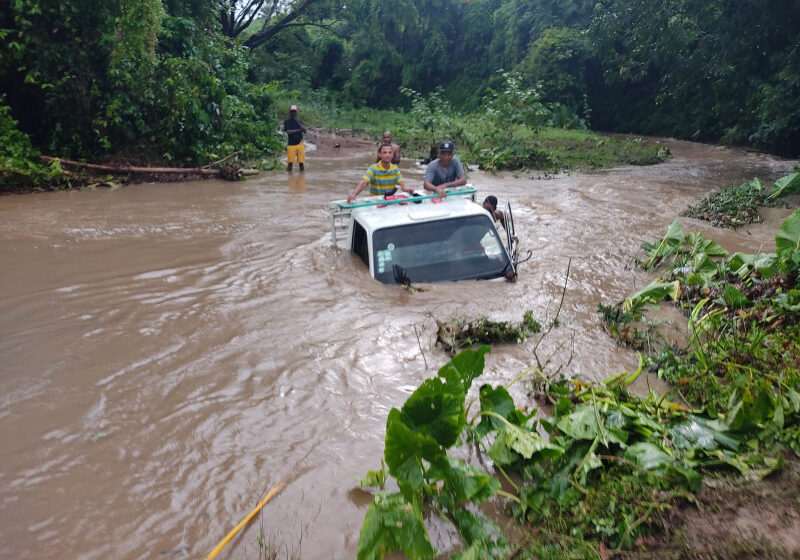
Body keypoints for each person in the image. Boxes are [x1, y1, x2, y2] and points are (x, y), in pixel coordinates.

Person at [348, 143, 414, 203]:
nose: (387, 155)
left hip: (389, 201)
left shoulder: (395, 169)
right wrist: (354, 194)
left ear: (392, 154)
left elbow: (402, 184)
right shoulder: (373, 169)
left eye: (390, 152)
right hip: (375, 202)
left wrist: (407, 189)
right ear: (379, 154)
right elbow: (364, 182)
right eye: (384, 153)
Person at [283, 105, 307, 172]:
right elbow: (288, 132)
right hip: (291, 145)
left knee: (301, 163)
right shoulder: (287, 121)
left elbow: (305, 130)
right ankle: (290, 178)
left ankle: (301, 178)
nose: (293, 113)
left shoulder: (300, 121)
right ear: (289, 112)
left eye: (294, 112)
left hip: (300, 144)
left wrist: (298, 122)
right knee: (290, 163)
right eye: (292, 111)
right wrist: (298, 130)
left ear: (296, 113)